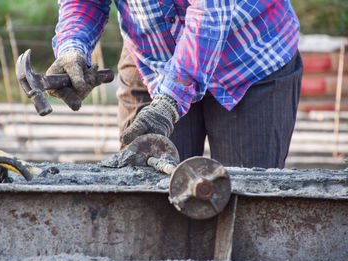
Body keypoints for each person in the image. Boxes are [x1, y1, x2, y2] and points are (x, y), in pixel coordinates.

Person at [47, 0, 303, 169]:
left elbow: (210, 14)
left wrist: (169, 101)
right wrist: (73, 47)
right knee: (146, 190)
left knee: (246, 193)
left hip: (247, 54)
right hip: (152, 52)